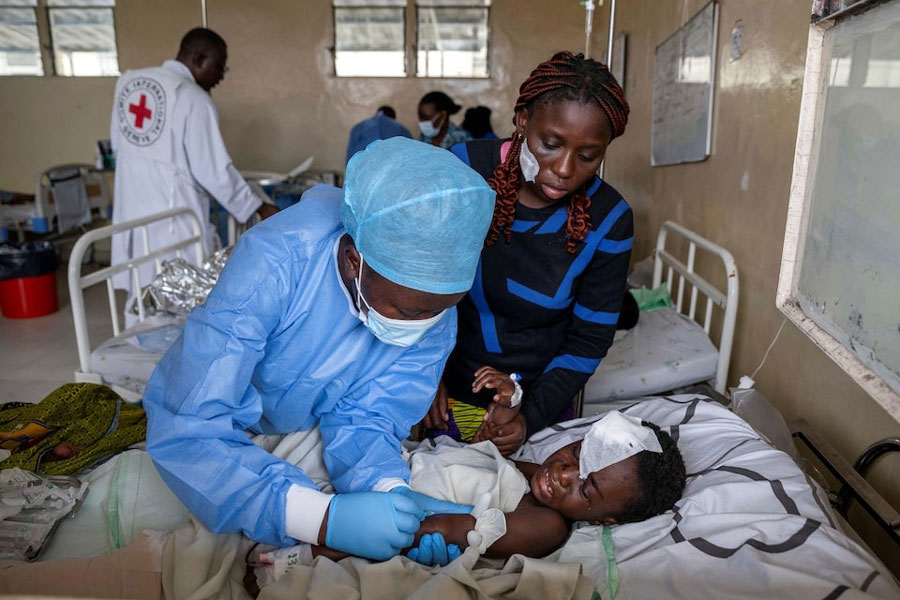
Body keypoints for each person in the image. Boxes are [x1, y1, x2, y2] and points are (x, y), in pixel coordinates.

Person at [142, 138, 497, 563]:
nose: (421, 326)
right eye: (405, 310)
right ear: (353, 262)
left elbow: (371, 413)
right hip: (226, 430)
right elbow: (187, 427)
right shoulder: (277, 263)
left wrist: (387, 489)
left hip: (301, 426)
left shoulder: (432, 304)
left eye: (439, 311)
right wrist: (317, 518)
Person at [424, 51, 632, 456]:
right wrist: (421, 375)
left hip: (537, 400)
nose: (565, 169)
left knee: (524, 500)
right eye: (550, 144)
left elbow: (589, 338)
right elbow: (413, 282)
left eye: (589, 156)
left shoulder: (609, 219)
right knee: (438, 486)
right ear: (522, 119)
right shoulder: (462, 171)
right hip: (440, 387)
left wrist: (528, 415)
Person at [244, 414, 685, 590]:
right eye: (575, 453)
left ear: (605, 520)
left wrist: (315, 546)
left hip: (386, 518)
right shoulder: (538, 477)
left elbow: (425, 530)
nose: (564, 474)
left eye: (586, 489)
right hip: (391, 472)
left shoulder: (547, 526)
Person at [109, 27, 277, 299]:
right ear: (199, 59)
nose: (221, 77)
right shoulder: (192, 98)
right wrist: (258, 206)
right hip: (174, 223)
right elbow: (213, 171)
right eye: (220, 68)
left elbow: (118, 147)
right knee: (180, 298)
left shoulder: (129, 85)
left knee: (140, 298)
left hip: (133, 214)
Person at [346, 105, 412, 164]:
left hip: (363, 173)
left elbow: (350, 160)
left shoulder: (358, 128)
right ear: (393, 118)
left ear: (376, 114)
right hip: (393, 173)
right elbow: (411, 157)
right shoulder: (402, 129)